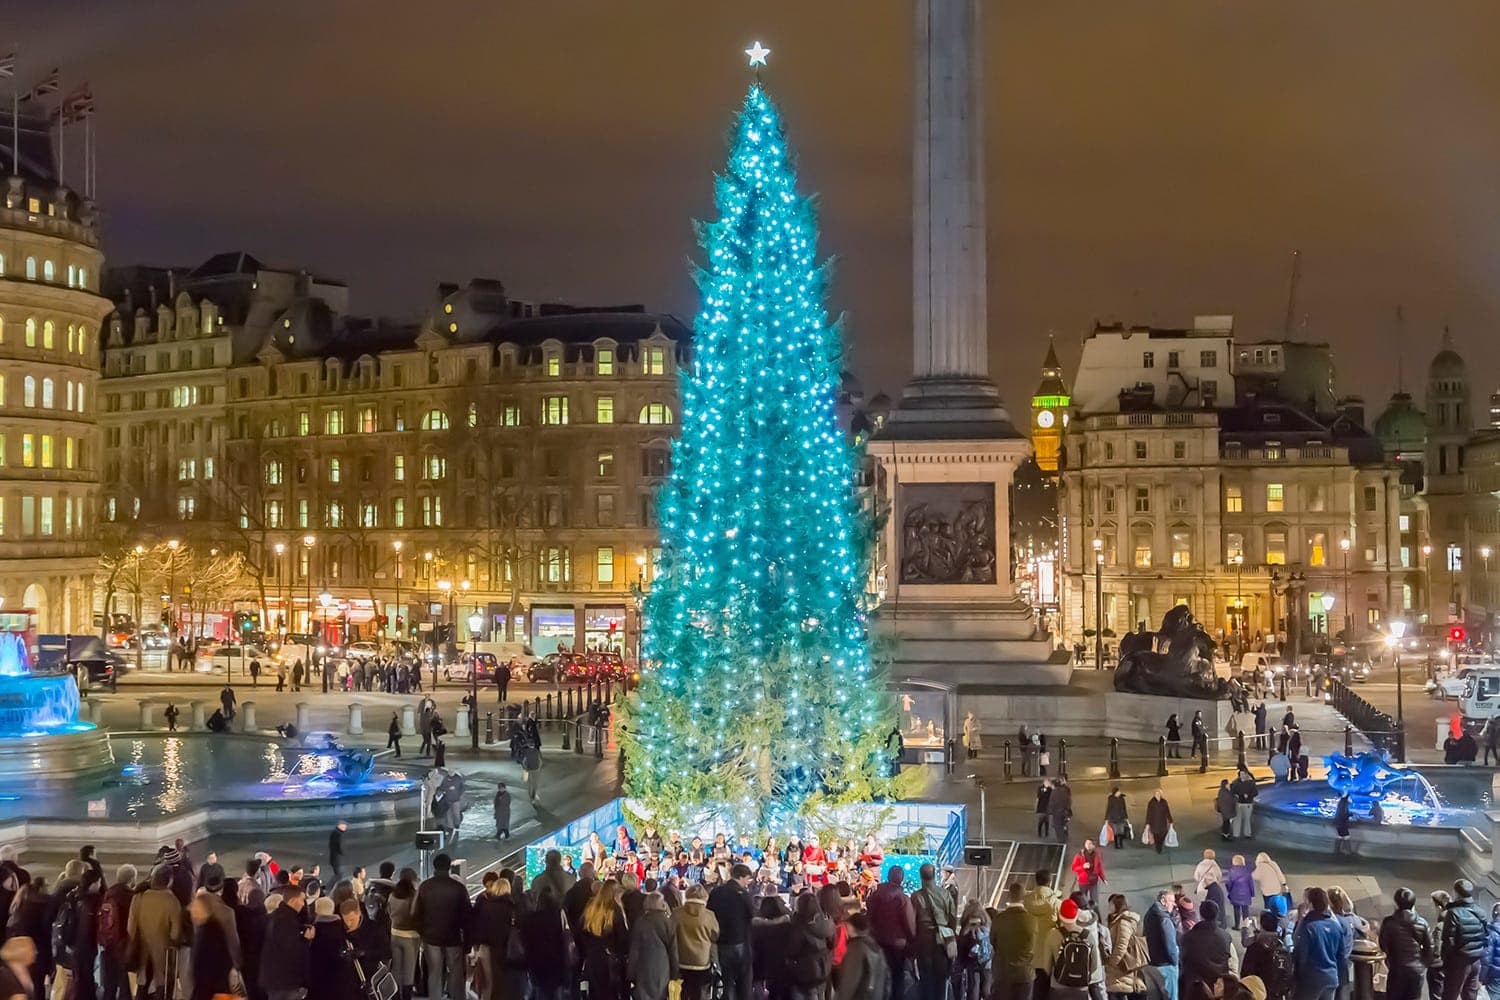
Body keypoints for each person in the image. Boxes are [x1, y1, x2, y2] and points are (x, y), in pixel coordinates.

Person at [414, 853, 471, 1000]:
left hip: (430, 937)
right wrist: (467, 939)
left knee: (434, 973)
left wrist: (422, 932)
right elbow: (467, 915)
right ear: (449, 867)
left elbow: (415, 913)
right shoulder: (458, 888)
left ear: (434, 867)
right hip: (453, 936)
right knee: (456, 972)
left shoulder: (425, 887)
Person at [866, 864, 915, 1000]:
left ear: (888, 877)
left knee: (879, 977)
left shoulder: (875, 896)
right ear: (901, 879)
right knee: (897, 978)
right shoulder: (903, 899)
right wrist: (913, 942)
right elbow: (909, 924)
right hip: (898, 945)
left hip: (877, 942)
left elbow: (869, 917)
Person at [708, 863, 756, 1000]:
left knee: (727, 980)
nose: (747, 882)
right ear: (740, 877)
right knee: (743, 980)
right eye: (747, 879)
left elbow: (709, 913)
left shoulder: (716, 892)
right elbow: (752, 915)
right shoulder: (743, 894)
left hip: (721, 941)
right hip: (739, 941)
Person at [1293, 888, 1350, 1000]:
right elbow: (1341, 956)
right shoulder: (1335, 926)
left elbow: (1302, 954)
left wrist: (1297, 975)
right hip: (1331, 978)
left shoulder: (1308, 926)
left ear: (1311, 904)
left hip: (1312, 979)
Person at [1379, 887, 1435, 1000]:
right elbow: (1430, 948)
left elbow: (1383, 944)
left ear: (1396, 903)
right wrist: (1422, 964)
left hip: (1397, 968)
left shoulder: (1389, 922)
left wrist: (1390, 960)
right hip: (1416, 970)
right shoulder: (1422, 923)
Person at [1044, 897, 1105, 1000]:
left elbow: (1046, 966)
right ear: (1076, 915)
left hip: (1058, 987)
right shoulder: (1088, 935)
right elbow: (1094, 965)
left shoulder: (1053, 934)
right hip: (1081, 989)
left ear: (1060, 915)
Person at [261, 883, 313, 1000]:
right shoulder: (287, 921)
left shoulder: (278, 915)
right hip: (284, 981)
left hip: (275, 979)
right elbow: (291, 950)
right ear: (293, 900)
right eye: (302, 900)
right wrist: (306, 939)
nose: (303, 904)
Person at [1441, 879, 1488, 1000]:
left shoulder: (1453, 913)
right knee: (1470, 995)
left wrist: (1445, 963)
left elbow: (1448, 942)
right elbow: (1486, 938)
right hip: (1476, 962)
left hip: (1458, 962)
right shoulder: (1481, 912)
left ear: (1456, 893)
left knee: (1450, 995)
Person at [673, 884, 721, 1000]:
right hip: (702, 961)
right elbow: (715, 935)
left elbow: (670, 934)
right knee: (699, 992)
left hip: (681, 959)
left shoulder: (677, 913)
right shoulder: (709, 915)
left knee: (683, 991)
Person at [784, 891, 835, 1000]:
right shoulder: (827, 921)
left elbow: (792, 950)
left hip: (806, 970)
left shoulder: (799, 925)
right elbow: (832, 943)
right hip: (824, 967)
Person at [1180, 900, 1234, 1000]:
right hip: (1218, 988)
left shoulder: (1188, 937)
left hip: (1196, 990)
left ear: (1201, 915)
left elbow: (1184, 961)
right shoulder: (1226, 937)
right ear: (1217, 915)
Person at [629, 891, 678, 1000]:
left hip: (643, 966)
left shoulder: (640, 922)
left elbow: (634, 950)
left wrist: (631, 974)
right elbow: (673, 950)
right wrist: (675, 974)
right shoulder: (668, 922)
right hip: (662, 967)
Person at [994, 882, 1037, 1000]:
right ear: (1023, 897)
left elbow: (993, 942)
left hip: (1003, 972)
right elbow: (1033, 946)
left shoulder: (999, 918)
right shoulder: (1032, 920)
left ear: (1009, 896)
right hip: (1025, 973)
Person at [1026, 869, 1064, 1000]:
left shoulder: (1026, 902)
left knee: (1037, 986)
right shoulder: (1057, 903)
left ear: (1036, 882)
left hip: (1031, 952)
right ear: (1050, 882)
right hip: (1052, 952)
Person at [1104, 893, 1147, 1000]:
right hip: (1119, 968)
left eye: (1111, 904)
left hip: (1121, 967)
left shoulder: (1123, 922)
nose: (1108, 907)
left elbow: (1121, 945)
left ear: (1117, 905)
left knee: (1120, 991)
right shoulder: (1117, 920)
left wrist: (1112, 962)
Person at [1241, 912, 1293, 1000]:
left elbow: (1246, 972)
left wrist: (1245, 928)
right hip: (1276, 993)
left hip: (1260, 992)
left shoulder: (1256, 946)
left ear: (1262, 926)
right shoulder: (1281, 943)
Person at [838, 911, 888, 1000]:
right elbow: (886, 977)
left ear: (851, 926)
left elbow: (849, 982)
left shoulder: (856, 948)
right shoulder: (875, 945)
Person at [387, 867, 421, 999]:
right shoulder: (414, 896)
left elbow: (389, 913)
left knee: (396, 968)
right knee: (409, 970)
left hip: (395, 934)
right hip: (411, 936)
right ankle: (406, 996)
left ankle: (394, 995)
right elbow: (417, 915)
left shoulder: (392, 895)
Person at [1144, 889, 1180, 1000]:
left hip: (1152, 964)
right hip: (1166, 965)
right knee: (1170, 996)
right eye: (1171, 901)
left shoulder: (1149, 914)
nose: (1174, 904)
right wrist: (1175, 961)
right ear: (1163, 901)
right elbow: (1170, 944)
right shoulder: (1164, 919)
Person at [955, 898, 993, 1000]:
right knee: (986, 989)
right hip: (987, 961)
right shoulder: (987, 925)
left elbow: (961, 946)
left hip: (972, 961)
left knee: (973, 989)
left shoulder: (966, 927)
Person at [1070, 840, 1106, 909]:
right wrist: (1083, 866)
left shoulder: (1097, 855)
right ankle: (1085, 911)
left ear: (1094, 846)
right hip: (1083, 881)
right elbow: (1073, 868)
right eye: (1086, 843)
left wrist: (1103, 878)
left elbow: (1099, 867)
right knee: (1083, 899)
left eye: (1090, 844)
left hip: (1094, 881)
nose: (1087, 845)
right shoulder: (1079, 855)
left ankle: (1094, 911)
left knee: (1094, 900)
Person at [1225, 856, 1254, 928]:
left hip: (1235, 893)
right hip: (1246, 894)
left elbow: (1229, 883)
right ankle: (1245, 925)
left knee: (1236, 909)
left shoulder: (1231, 871)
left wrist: (1229, 891)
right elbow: (1251, 883)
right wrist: (1252, 893)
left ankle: (1237, 925)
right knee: (1245, 910)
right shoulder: (1247, 871)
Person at [1230, 769, 1258, 839]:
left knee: (1247, 819)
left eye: (1243, 774)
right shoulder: (1235, 783)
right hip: (1239, 803)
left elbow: (1255, 792)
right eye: (1240, 774)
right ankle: (1236, 834)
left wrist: (1249, 796)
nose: (1241, 776)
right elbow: (1232, 792)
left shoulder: (1251, 783)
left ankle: (1247, 834)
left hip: (1247, 804)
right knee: (1237, 819)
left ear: (1246, 775)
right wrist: (1237, 795)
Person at [1048, 778, 1074, 845]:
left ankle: (1061, 841)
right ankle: (1065, 834)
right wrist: (1067, 809)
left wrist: (1050, 811)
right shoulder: (1064, 791)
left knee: (1058, 826)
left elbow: (1052, 803)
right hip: (1064, 811)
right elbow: (1069, 801)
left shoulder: (1054, 792)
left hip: (1057, 813)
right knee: (1063, 823)